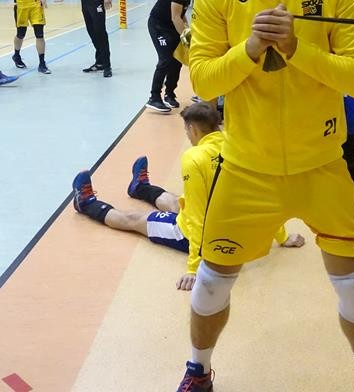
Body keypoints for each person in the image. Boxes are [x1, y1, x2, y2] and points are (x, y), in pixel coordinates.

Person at [179, 0, 354, 392]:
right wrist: (249, 49)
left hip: (322, 164)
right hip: (245, 166)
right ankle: (198, 371)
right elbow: (204, 81)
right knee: (210, 283)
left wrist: (297, 48)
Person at [71, 102, 305, 289]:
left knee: (133, 219)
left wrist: (194, 267)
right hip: (232, 224)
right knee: (177, 201)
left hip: (196, 235)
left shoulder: (194, 157)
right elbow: (262, 198)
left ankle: (86, 203)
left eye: (186, 131)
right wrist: (282, 236)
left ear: (193, 129)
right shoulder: (238, 147)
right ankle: (140, 188)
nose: (188, 136)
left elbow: (197, 216)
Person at [146, 0, 206, 113]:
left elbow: (181, 14)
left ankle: (169, 94)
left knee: (177, 60)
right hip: (159, 27)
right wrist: (187, 37)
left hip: (171, 26)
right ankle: (154, 97)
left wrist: (187, 29)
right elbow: (175, 17)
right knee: (165, 60)